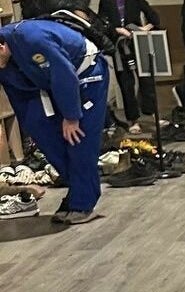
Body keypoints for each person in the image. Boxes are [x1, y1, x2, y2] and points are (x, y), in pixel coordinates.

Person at [0, 17, 107, 224]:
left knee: (79, 140)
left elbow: (64, 74)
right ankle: (77, 192)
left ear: (1, 47)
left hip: (85, 73)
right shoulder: (5, 61)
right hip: (41, 83)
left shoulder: (31, 38)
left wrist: (71, 116)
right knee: (44, 135)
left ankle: (83, 203)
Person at [96, 0, 160, 130]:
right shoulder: (106, 2)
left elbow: (154, 17)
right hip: (119, 46)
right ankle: (133, 120)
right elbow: (101, 24)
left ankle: (154, 115)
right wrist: (116, 30)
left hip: (138, 42)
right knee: (126, 84)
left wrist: (143, 29)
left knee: (147, 79)